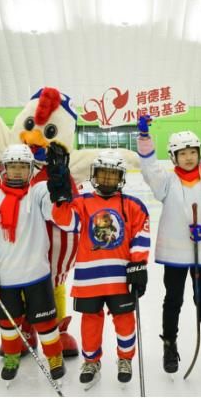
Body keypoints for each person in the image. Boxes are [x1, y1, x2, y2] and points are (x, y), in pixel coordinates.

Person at [45, 146, 150, 387]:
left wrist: (138, 266)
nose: (107, 178)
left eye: (112, 174)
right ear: (95, 174)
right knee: (90, 322)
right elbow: (65, 222)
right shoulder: (80, 202)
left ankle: (125, 359)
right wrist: (61, 199)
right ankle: (91, 361)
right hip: (89, 280)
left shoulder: (133, 205)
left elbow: (141, 235)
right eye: (103, 173)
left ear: (121, 177)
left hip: (120, 279)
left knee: (125, 320)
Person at [136, 115, 201, 376]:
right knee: (173, 300)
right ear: (173, 156)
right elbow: (149, 169)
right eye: (183, 153)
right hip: (176, 254)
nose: (189, 157)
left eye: (193, 151)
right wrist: (145, 139)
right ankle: (170, 344)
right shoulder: (167, 182)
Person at [0, 144, 65, 382]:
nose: (17, 172)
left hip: (37, 273)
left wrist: (60, 188)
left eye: (22, 167)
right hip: (5, 276)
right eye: (12, 167)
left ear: (31, 170)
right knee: (8, 321)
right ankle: (12, 356)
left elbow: (59, 216)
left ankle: (54, 356)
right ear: (3, 169)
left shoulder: (39, 192)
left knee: (46, 320)